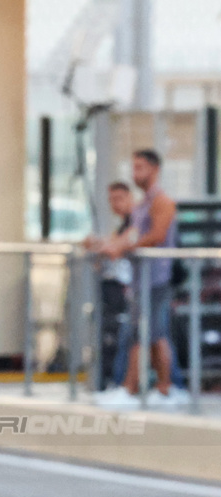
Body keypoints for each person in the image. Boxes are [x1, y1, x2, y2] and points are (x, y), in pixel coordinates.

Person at [100, 149, 187, 405]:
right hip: (141, 280)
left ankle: (137, 387)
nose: (134, 173)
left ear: (154, 169)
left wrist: (123, 247)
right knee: (151, 335)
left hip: (157, 278)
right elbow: (133, 234)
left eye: (139, 167)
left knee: (145, 334)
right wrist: (108, 245)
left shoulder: (162, 202)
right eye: (133, 167)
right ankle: (162, 387)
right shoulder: (142, 204)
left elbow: (156, 235)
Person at [85, 181, 135, 390]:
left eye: (119, 198)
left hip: (126, 289)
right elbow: (113, 242)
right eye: (111, 200)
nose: (115, 204)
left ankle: (122, 383)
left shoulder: (136, 221)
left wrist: (103, 246)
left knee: (129, 337)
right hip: (114, 288)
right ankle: (115, 381)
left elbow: (123, 243)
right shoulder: (123, 224)